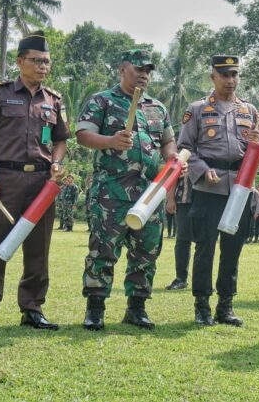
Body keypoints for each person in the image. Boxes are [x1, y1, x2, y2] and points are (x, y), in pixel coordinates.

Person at [0, 31, 69, 331]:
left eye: (47, 62)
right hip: (5, 180)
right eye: (37, 61)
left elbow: (61, 140)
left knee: (38, 249)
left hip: (41, 183)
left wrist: (56, 163)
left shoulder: (53, 99)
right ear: (20, 61)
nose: (43, 67)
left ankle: (32, 308)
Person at [76, 49, 178, 331]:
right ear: (122, 69)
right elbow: (83, 135)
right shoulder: (103, 101)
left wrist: (171, 156)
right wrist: (110, 140)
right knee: (103, 250)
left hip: (149, 193)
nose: (144, 75)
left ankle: (137, 308)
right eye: (138, 69)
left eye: (148, 70)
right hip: (111, 191)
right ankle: (95, 310)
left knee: (146, 252)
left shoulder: (158, 108)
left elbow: (167, 141)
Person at [177, 54, 259, 327]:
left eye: (234, 75)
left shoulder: (249, 111)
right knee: (205, 247)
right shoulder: (197, 109)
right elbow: (185, 149)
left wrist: (257, 143)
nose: (230, 80)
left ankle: (225, 306)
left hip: (239, 188)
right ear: (212, 77)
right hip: (208, 188)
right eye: (225, 75)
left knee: (232, 249)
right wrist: (201, 169)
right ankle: (201, 305)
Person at [165, 174, 194, 290]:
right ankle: (181, 279)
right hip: (183, 199)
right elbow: (174, 176)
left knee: (205, 241)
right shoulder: (182, 155)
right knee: (182, 240)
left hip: (206, 199)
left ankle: (203, 280)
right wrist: (170, 199)